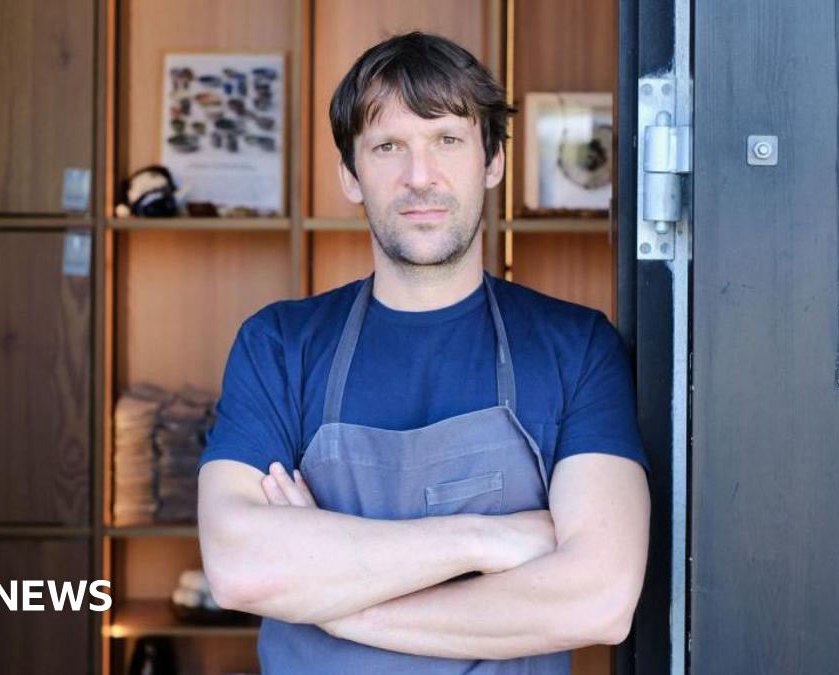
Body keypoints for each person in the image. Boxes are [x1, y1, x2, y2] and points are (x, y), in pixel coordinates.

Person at [196, 31, 650, 674]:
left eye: (447, 141)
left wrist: (330, 603)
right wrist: (491, 539)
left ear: (491, 162)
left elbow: (597, 601)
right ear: (350, 175)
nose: (419, 177)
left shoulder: (576, 348)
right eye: (388, 147)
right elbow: (241, 569)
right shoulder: (279, 345)